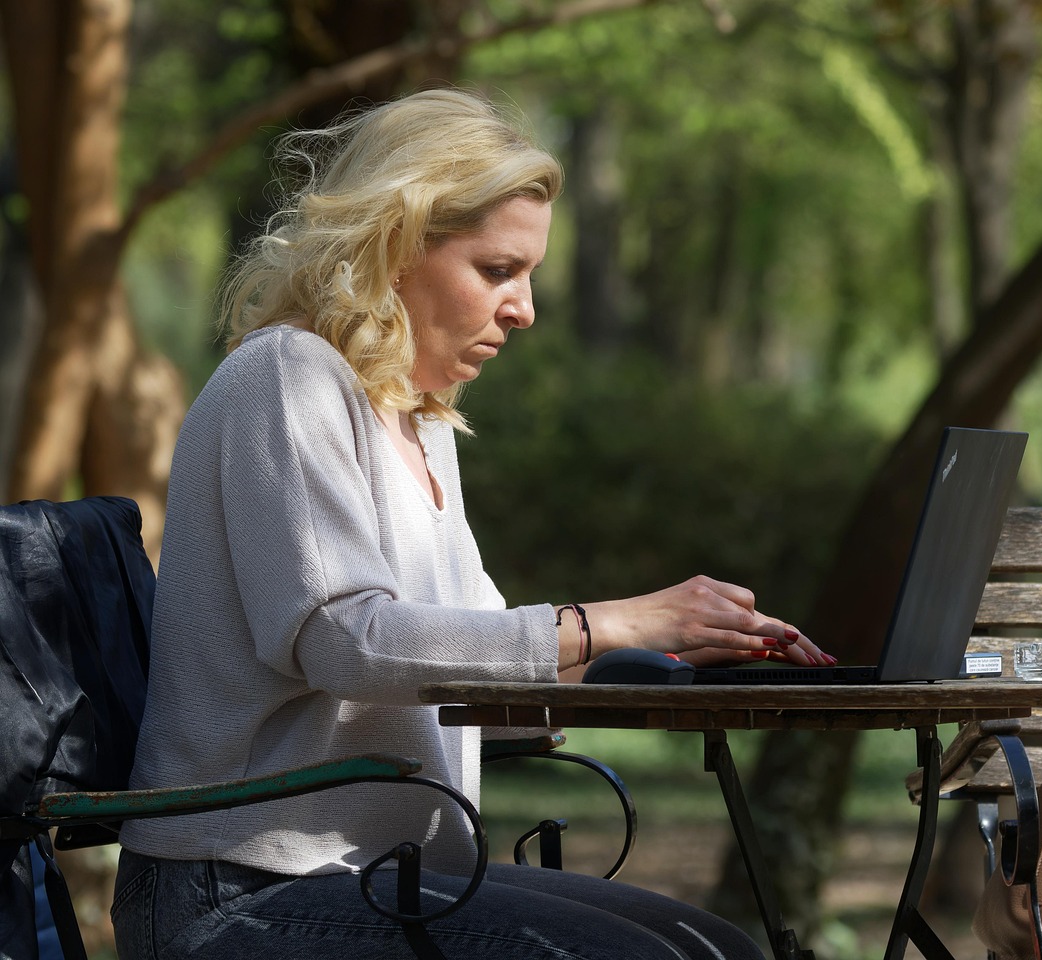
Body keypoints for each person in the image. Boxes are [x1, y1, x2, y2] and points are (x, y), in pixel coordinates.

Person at [111, 87, 833, 960]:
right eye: (497, 271)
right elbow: (346, 643)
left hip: (388, 874)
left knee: (717, 947)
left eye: (527, 276)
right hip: (242, 887)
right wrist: (609, 622)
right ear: (392, 245)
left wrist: (672, 656)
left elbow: (473, 667)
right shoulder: (287, 377)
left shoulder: (419, 420)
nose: (524, 309)